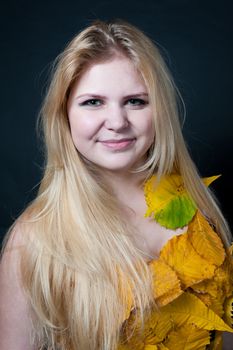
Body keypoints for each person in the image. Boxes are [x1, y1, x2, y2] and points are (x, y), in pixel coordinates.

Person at [0, 19, 233, 350]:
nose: (117, 122)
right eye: (93, 102)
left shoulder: (198, 203)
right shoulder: (34, 240)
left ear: (159, 109)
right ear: (64, 113)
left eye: (135, 101)